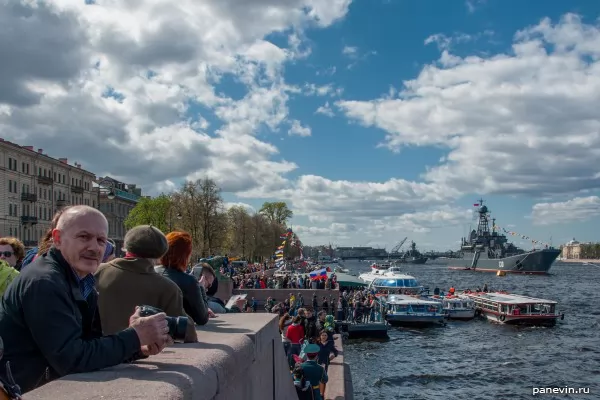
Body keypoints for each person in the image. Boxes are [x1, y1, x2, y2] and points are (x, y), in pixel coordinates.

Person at [0, 206, 171, 394]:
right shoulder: (44, 283)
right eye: (84, 237)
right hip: (25, 391)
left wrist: (137, 347)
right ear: (57, 239)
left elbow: (89, 345)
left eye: (101, 240)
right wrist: (134, 336)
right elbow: (71, 358)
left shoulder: (81, 278)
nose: (94, 247)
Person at [95, 225, 198, 343]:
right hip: (138, 351)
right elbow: (188, 332)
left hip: (95, 351)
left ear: (126, 247)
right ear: (161, 254)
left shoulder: (97, 271)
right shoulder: (168, 288)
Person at [155, 232, 213, 325]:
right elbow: (202, 318)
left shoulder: (152, 272)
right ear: (185, 256)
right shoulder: (189, 281)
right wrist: (201, 288)